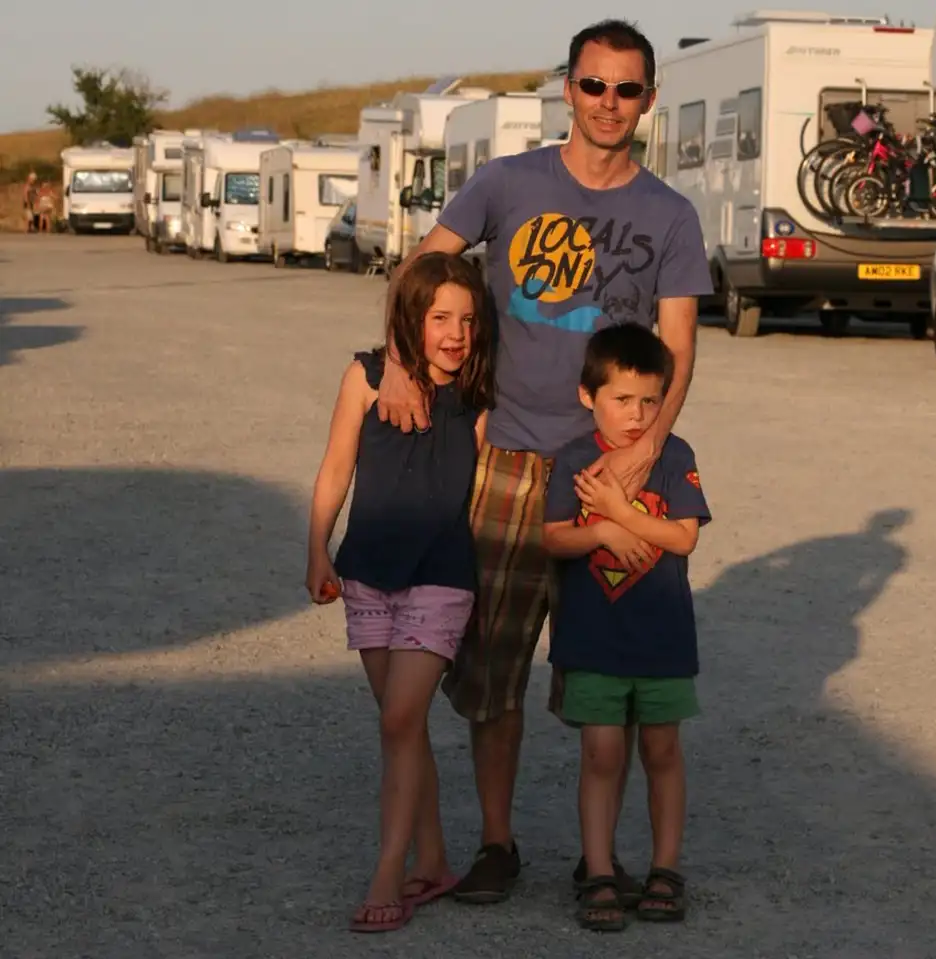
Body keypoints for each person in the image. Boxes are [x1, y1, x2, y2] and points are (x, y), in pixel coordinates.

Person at [375, 18, 713, 905]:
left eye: (628, 89)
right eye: (594, 85)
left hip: (614, 470)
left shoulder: (670, 215)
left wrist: (640, 456)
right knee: (494, 666)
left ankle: (612, 860)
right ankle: (497, 843)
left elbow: (678, 346)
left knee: (618, 675)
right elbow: (420, 270)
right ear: (568, 88)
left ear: (649, 98)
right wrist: (407, 366)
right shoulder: (505, 182)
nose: (610, 103)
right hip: (514, 464)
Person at [304, 252, 495, 933]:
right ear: (409, 319)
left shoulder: (479, 396)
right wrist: (317, 546)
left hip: (442, 575)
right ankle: (435, 855)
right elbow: (335, 467)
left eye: (468, 320)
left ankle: (389, 868)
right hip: (366, 571)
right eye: (440, 316)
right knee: (403, 724)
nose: (455, 333)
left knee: (397, 720)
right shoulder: (365, 376)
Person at [543, 323, 710, 930]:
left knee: (662, 749)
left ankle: (666, 868)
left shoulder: (675, 456)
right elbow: (553, 537)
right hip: (593, 639)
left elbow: (684, 537)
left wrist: (617, 509)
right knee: (602, 752)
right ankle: (599, 871)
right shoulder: (575, 459)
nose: (636, 415)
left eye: (649, 400)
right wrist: (603, 531)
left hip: (664, 638)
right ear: (589, 396)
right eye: (621, 400)